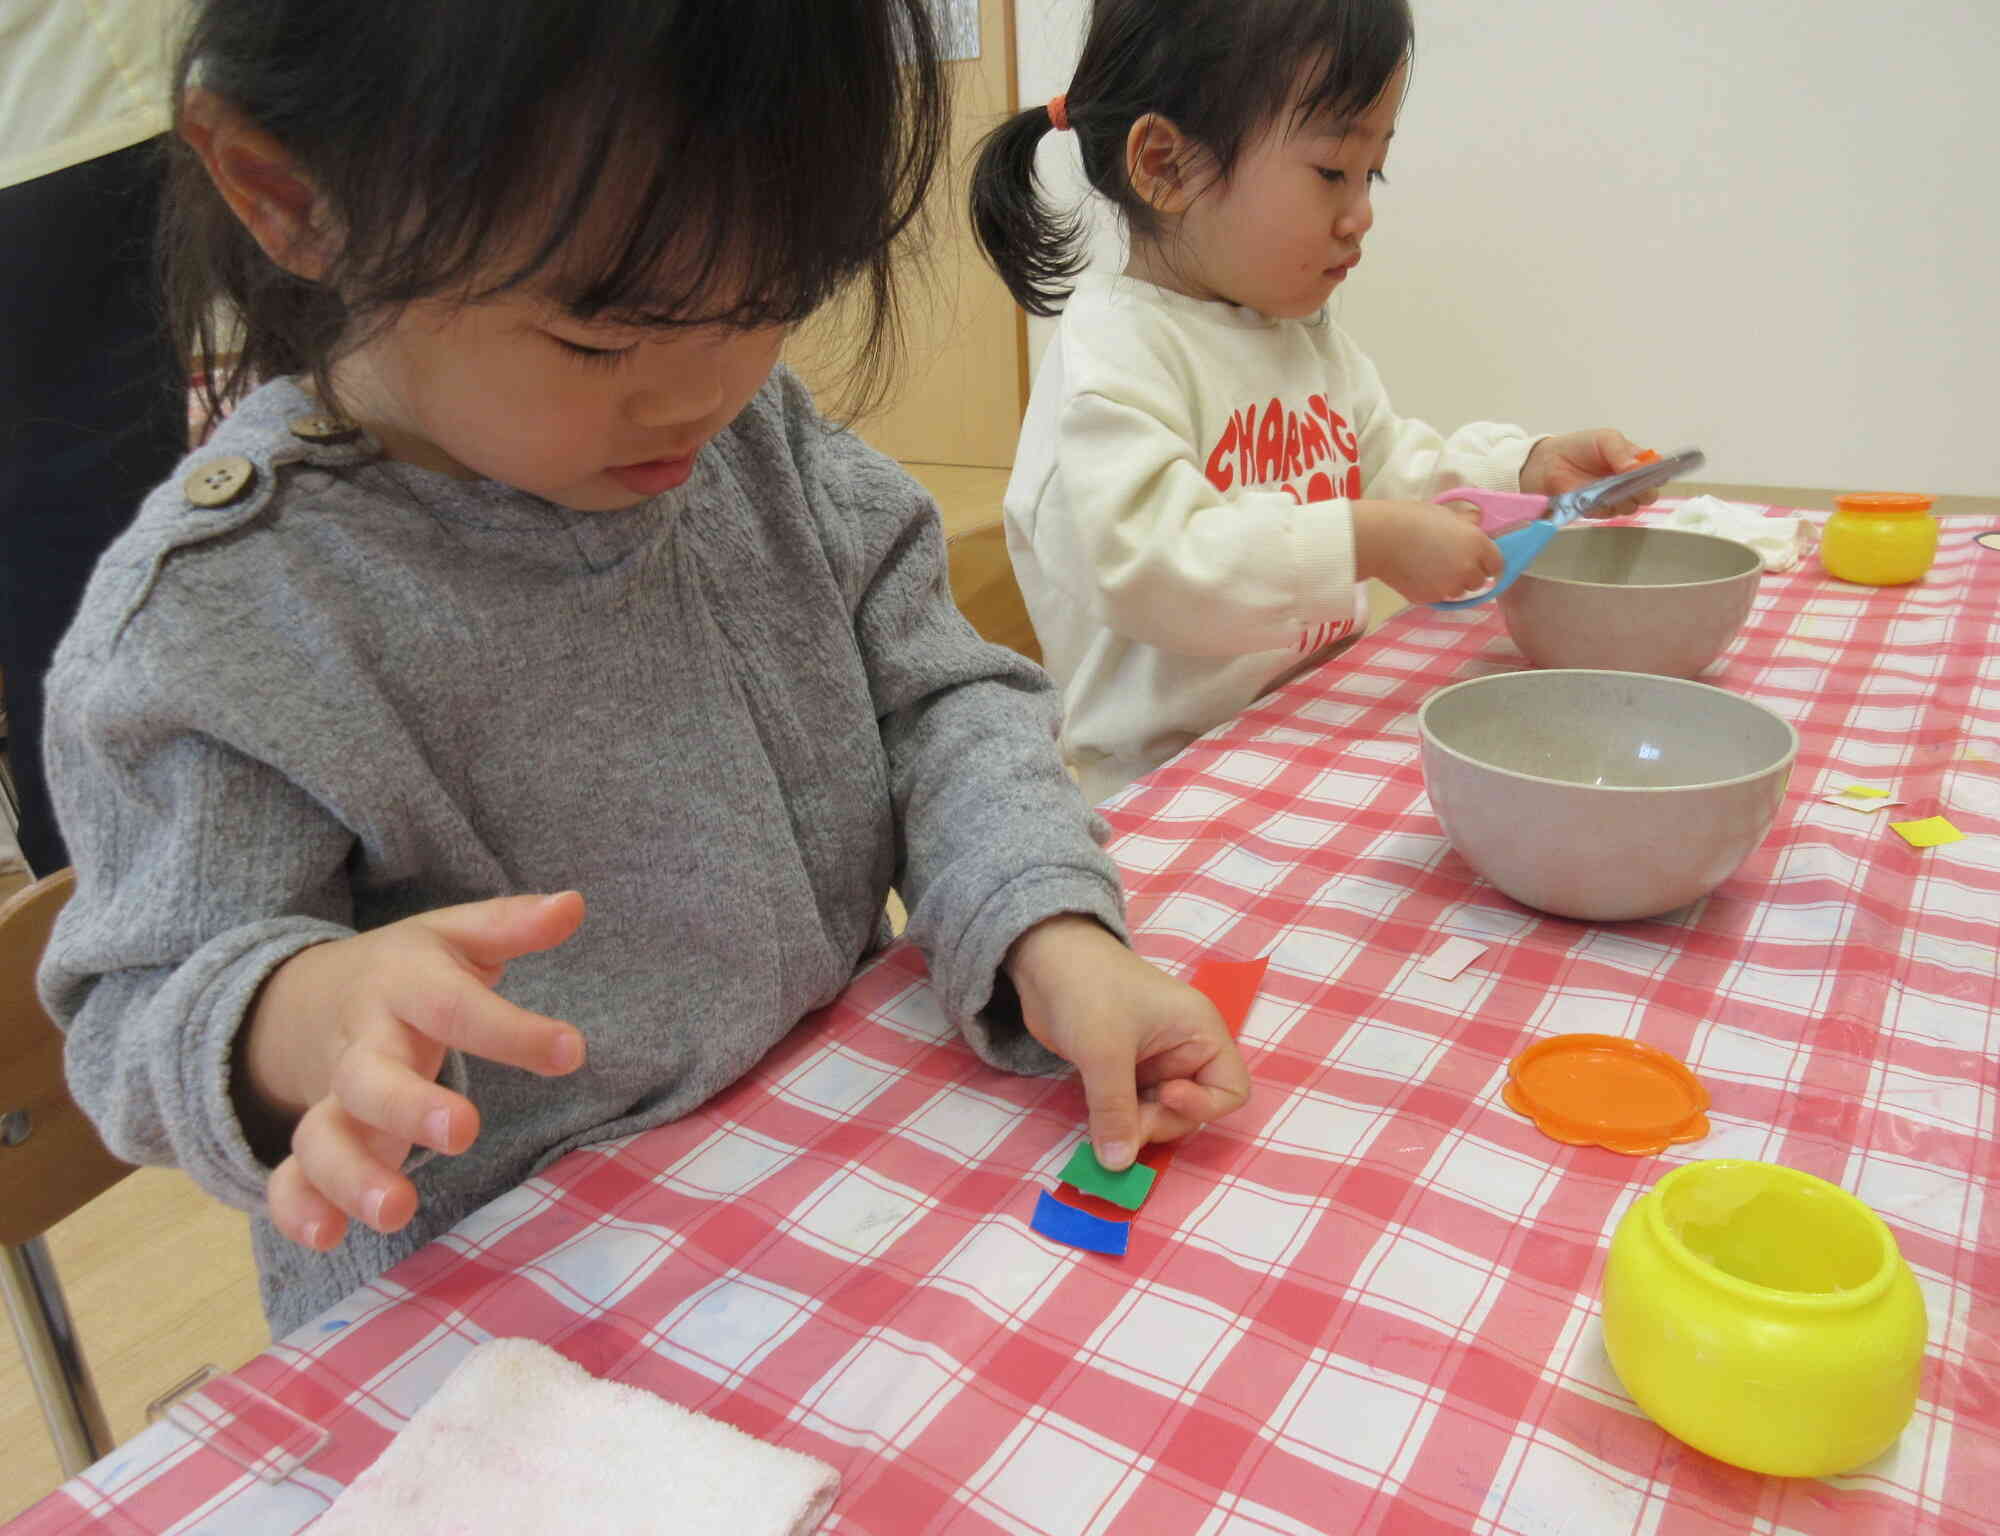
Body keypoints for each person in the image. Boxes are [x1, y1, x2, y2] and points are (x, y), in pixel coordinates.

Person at [38, 0, 1250, 1339]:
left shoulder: (756, 444)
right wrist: (292, 1018)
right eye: (599, 339)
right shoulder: (235, 614)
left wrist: (1049, 931)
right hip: (516, 1338)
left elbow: (944, 698)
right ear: (291, 196)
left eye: (767, 304)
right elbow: (135, 1008)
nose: (702, 394)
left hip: (833, 1189)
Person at [971, 0, 1654, 802]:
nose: (1361, 214)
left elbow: (1395, 468)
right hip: (1171, 788)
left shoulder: (1302, 337)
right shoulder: (1114, 358)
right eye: (1332, 171)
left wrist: (1525, 468)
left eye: (1374, 173)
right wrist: (1362, 540)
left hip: (1311, 729)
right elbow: (1151, 562)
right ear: (1166, 164)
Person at [0, 0, 189, 876]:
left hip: (58, 122)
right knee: (79, 582)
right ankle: (111, 937)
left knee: (72, 583)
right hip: (60, 117)